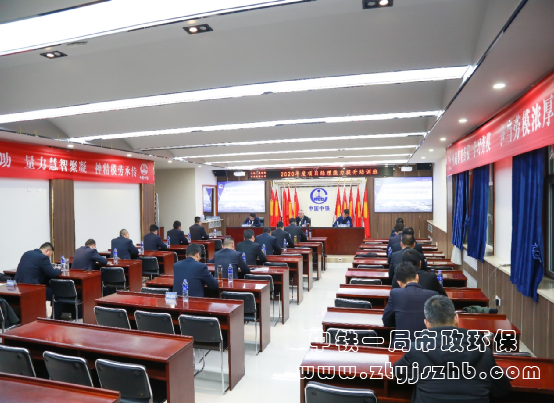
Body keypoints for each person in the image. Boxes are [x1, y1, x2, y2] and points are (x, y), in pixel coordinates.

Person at [393, 295, 511, 403]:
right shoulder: (484, 352)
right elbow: (502, 389)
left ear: (427, 323)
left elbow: (398, 372)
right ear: (456, 318)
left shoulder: (417, 350)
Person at [382, 263, 438, 343]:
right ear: (417, 277)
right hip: (427, 346)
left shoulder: (395, 293)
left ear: (399, 283)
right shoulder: (433, 295)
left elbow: (386, 321)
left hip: (401, 346)